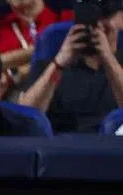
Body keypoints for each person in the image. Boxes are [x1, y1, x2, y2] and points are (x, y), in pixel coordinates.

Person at [19, 0, 123, 133]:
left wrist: (108, 58)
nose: (98, 26)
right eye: (90, 18)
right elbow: (25, 119)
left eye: (105, 17)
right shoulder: (52, 62)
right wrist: (58, 64)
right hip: (62, 148)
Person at [0, 0, 73, 91]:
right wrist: (51, 50)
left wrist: (14, 75)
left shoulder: (66, 18)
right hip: (10, 95)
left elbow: (68, 59)